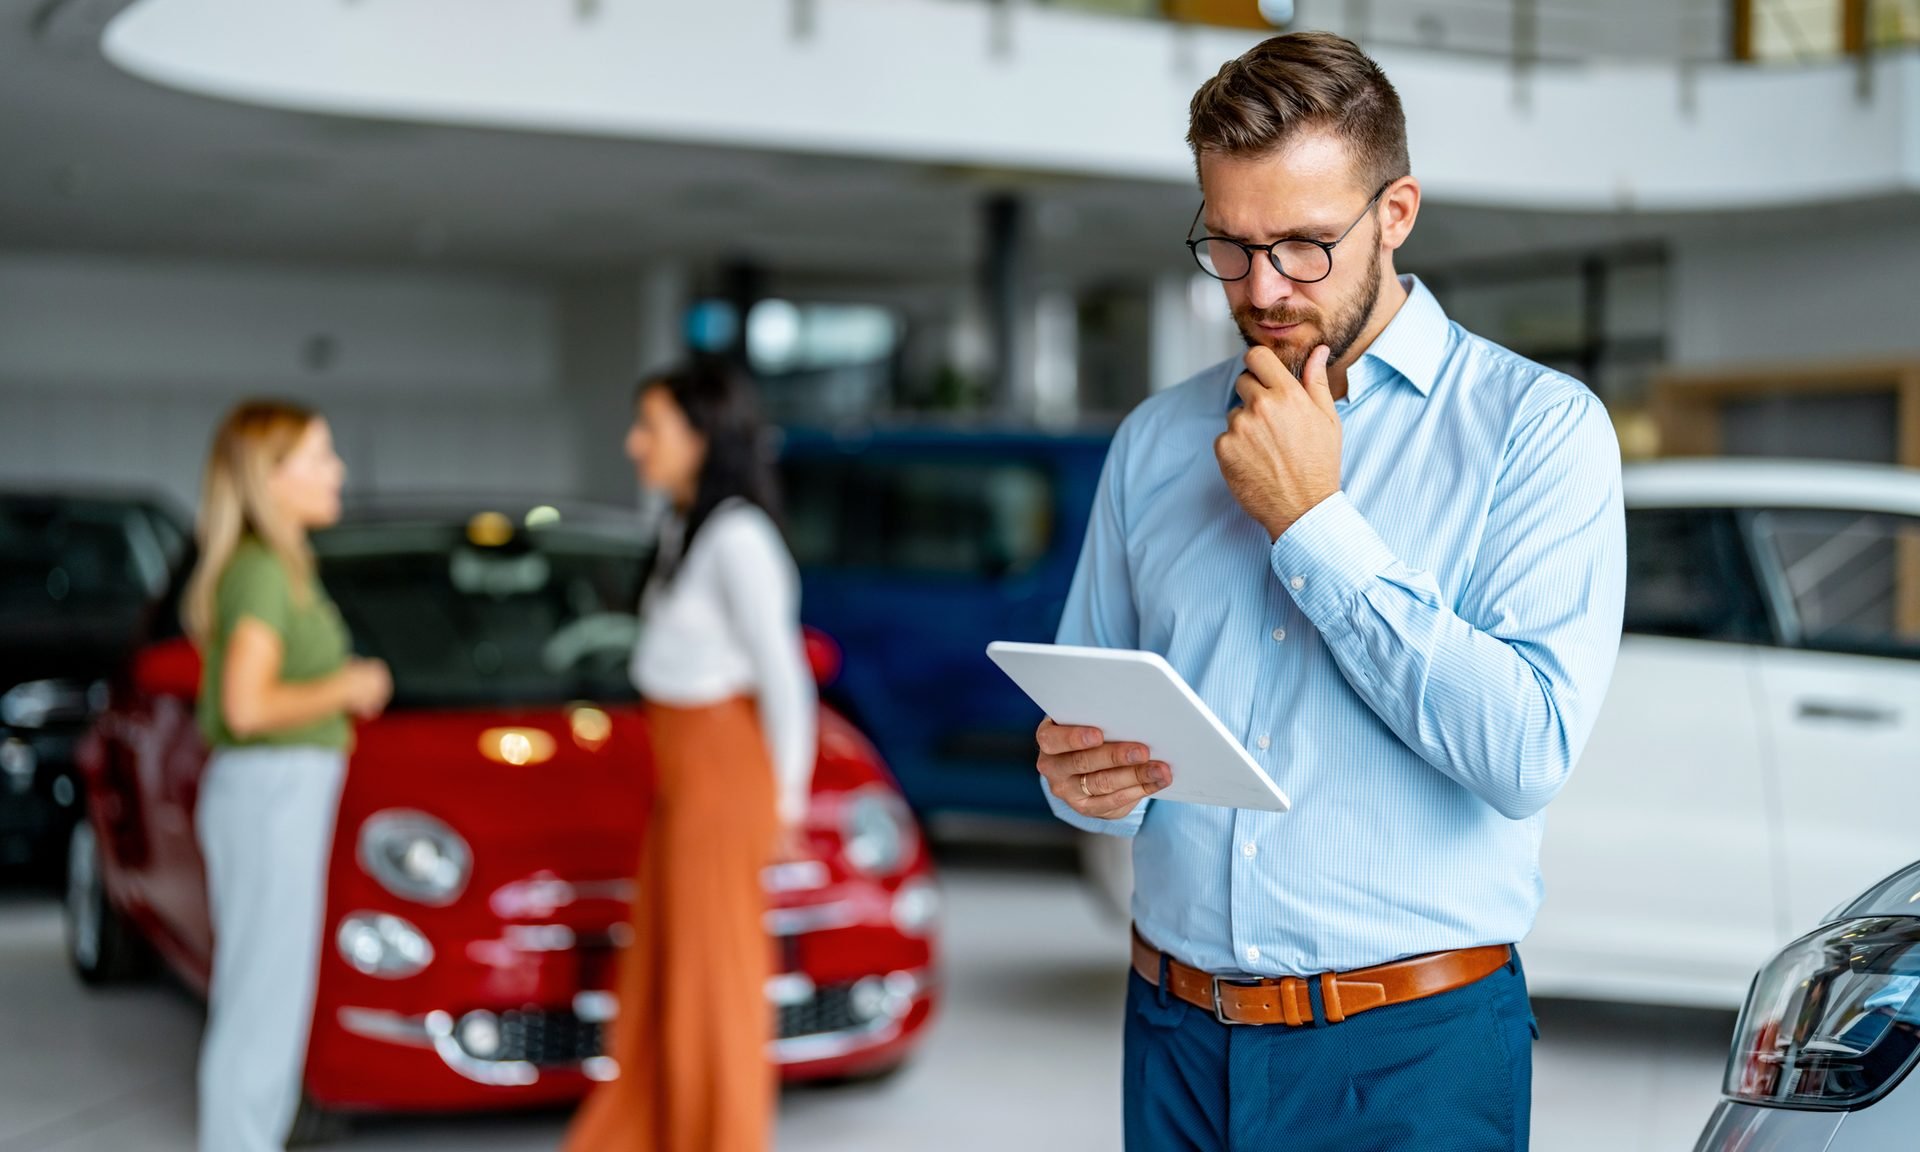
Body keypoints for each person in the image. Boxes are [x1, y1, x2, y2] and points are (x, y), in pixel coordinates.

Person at [1034, 31, 1626, 1152]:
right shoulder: (1155, 441)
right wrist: (1081, 781)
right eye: (1229, 245)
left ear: (1396, 213)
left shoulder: (1537, 433)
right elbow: (1091, 743)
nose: (1261, 290)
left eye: (1305, 246)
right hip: (1173, 1038)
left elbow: (1527, 751)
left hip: (1411, 1057)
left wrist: (1312, 524)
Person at [563, 357, 816, 1152]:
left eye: (651, 427)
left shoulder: (739, 537)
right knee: (668, 977)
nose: (636, 444)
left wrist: (787, 806)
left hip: (719, 778)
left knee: (716, 985)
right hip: (679, 778)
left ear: (703, 436)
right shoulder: (684, 526)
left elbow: (786, 679)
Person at [184, 400, 391, 1152]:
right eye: (320, 455)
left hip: (280, 792)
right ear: (272, 478)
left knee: (270, 1004)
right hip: (270, 790)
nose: (337, 471)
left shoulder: (277, 565)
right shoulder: (264, 571)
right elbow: (246, 705)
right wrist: (348, 685)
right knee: (259, 1010)